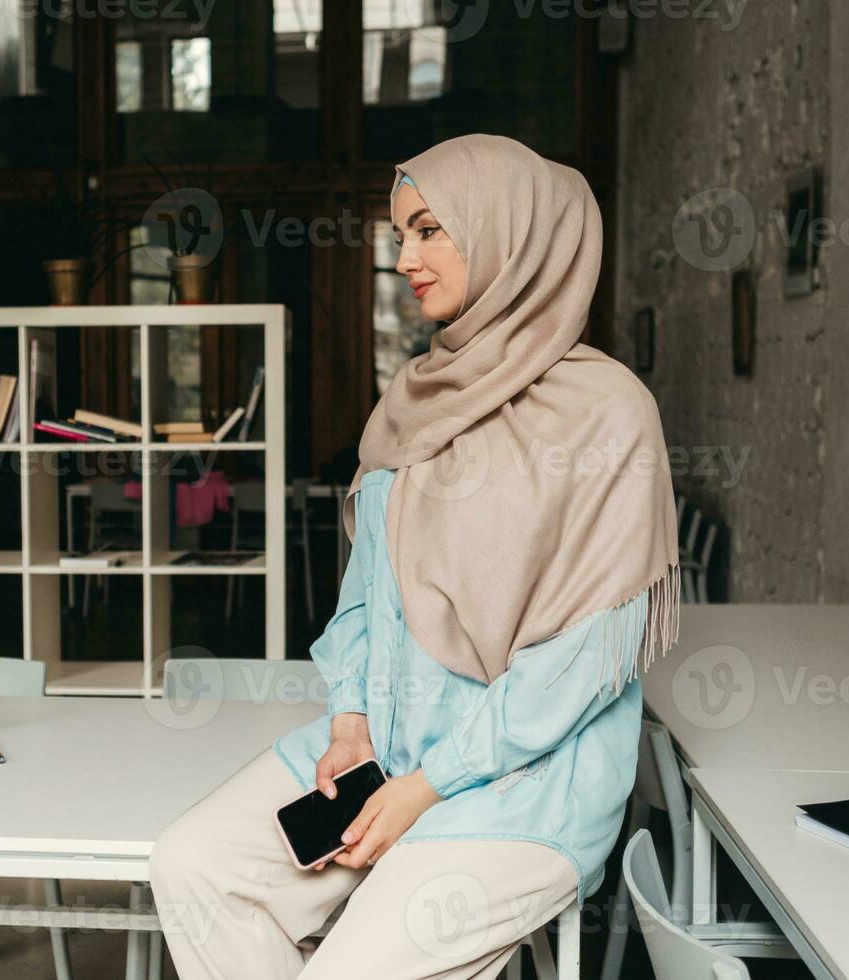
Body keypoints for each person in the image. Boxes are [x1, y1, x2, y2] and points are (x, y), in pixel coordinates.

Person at [148, 134, 680, 979]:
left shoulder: (610, 415)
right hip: (384, 748)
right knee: (190, 865)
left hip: (523, 786)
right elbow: (366, 597)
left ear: (511, 232)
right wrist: (351, 727)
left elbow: (584, 665)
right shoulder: (414, 399)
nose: (405, 260)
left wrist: (425, 788)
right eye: (402, 236)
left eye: (430, 230)